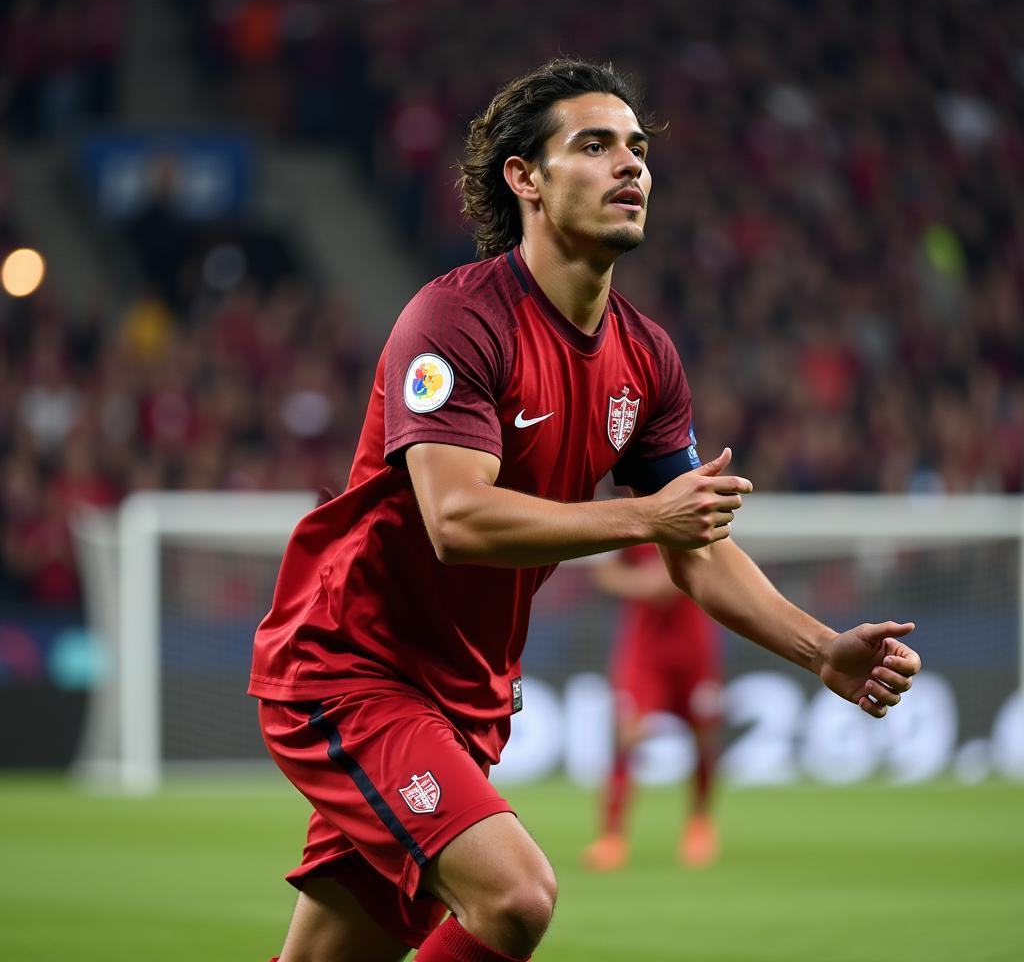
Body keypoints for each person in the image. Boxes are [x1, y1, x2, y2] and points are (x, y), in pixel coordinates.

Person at [249, 58, 921, 962]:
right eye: (595, 145)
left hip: (464, 697)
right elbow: (459, 522)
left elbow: (697, 546)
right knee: (517, 897)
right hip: (351, 668)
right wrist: (648, 519)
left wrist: (821, 648)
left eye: (638, 148)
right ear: (525, 178)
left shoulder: (646, 358)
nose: (631, 166)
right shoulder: (455, 321)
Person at [582, 543, 723, 872]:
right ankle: (612, 837)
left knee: (704, 735)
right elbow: (604, 573)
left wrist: (676, 578)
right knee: (627, 736)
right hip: (645, 651)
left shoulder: (696, 507)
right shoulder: (631, 515)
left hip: (694, 648)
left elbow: (723, 567)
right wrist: (641, 583)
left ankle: (699, 825)